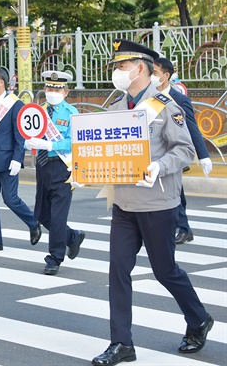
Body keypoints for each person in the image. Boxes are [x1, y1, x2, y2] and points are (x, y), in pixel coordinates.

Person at [91, 39, 213, 366]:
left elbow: (184, 150)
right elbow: (103, 150)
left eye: (121, 66)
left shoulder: (166, 105)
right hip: (124, 204)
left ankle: (198, 318)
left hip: (158, 203)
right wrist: (81, 169)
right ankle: (121, 344)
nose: (117, 73)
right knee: (118, 270)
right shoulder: (115, 108)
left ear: (140, 68)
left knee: (165, 270)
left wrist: (159, 165)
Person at [24, 71, 85, 275]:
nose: (52, 92)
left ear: (66, 91)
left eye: (57, 88)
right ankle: (71, 237)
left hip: (63, 166)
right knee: (41, 213)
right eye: (49, 88)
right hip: (43, 166)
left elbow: (75, 141)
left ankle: (55, 258)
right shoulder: (38, 111)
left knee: (58, 215)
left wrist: (50, 143)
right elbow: (28, 132)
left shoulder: (71, 112)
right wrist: (28, 142)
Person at [0, 67, 41, 253]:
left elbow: (19, 134)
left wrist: (17, 158)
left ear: (1, 82)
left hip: (7, 159)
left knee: (10, 199)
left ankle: (32, 222)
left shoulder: (15, 104)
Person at [152, 57, 212, 245]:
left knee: (176, 192)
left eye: (155, 73)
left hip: (173, 153)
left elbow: (191, 127)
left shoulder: (179, 99)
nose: (152, 76)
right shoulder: (148, 98)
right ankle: (174, 228)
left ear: (166, 75)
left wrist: (203, 155)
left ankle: (184, 229)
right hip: (153, 155)